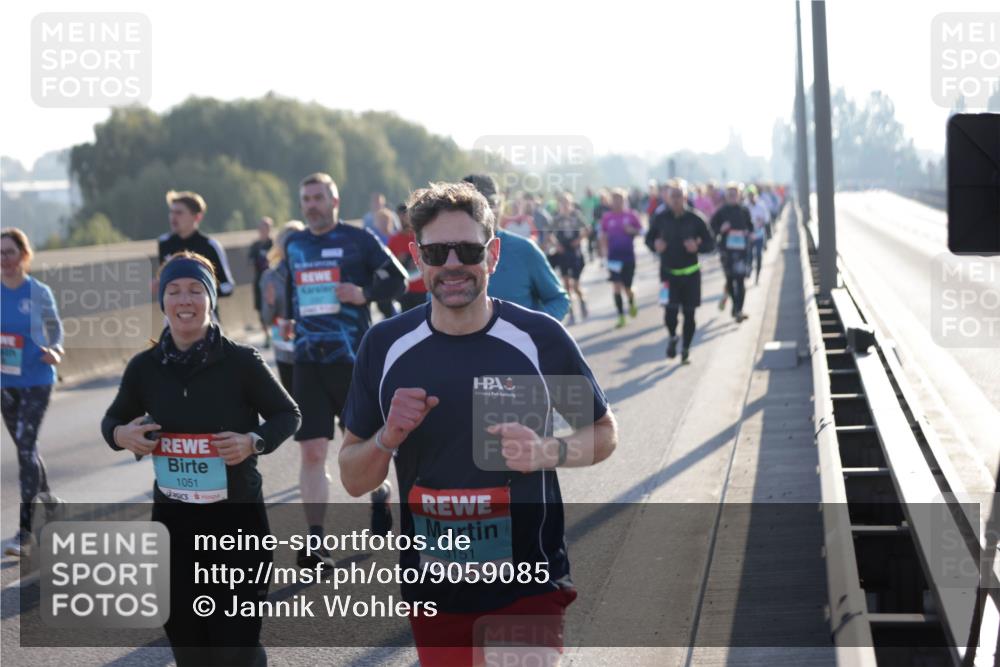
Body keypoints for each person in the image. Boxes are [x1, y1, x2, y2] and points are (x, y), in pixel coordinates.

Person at [337, 181, 618, 667]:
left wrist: (548, 452)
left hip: (529, 584)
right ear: (417, 257)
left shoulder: (537, 338)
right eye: (436, 251)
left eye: (467, 250)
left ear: (493, 255)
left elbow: (604, 433)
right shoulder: (385, 346)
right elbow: (353, 477)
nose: (451, 265)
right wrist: (388, 436)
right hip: (435, 589)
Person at [102, 251, 301, 666]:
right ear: (162, 300)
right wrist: (124, 435)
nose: (184, 299)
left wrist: (253, 441)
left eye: (195, 289)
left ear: (211, 298)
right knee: (189, 645)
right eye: (174, 290)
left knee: (235, 645)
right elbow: (112, 421)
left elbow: (288, 414)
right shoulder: (145, 367)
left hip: (236, 523)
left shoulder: (241, 361)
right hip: (174, 525)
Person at [282, 173, 407, 566]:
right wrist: (288, 318)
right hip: (307, 359)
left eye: (319, 197)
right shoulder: (295, 243)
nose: (312, 205)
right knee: (313, 451)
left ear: (334, 201)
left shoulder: (358, 240)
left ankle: (379, 492)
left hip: (352, 360)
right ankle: (316, 540)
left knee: (362, 445)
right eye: (306, 199)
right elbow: (292, 290)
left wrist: (364, 294)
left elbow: (399, 282)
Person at [1, 228, 65, 557]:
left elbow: (55, 328)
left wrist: (55, 349)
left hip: (38, 378)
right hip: (6, 383)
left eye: (10, 252)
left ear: (24, 256)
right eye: (0, 253)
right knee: (27, 449)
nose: (5, 259)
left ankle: (25, 531)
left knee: (25, 448)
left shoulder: (37, 292)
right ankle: (50, 504)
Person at [462, 174, 570, 321]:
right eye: (472, 206)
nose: (483, 211)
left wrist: (533, 330)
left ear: (501, 203)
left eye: (490, 203)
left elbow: (559, 300)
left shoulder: (525, 250)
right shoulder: (445, 255)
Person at [646, 180, 716, 363]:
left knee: (689, 314)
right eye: (672, 196)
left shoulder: (696, 218)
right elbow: (648, 239)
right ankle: (672, 337)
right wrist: (655, 245)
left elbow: (711, 244)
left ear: (685, 197)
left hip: (691, 274)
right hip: (668, 275)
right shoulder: (660, 218)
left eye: (679, 196)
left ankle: (685, 348)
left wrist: (697, 247)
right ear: (667, 198)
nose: (676, 199)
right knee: (669, 313)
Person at [157, 191, 236, 324]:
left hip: (207, 319)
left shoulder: (210, 246)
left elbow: (228, 286)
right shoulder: (164, 243)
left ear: (197, 217)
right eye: (171, 212)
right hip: (173, 320)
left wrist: (201, 289)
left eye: (179, 213)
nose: (173, 217)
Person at [260, 220, 306, 393]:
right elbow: (266, 318)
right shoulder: (269, 277)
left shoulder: (310, 270)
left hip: (310, 346)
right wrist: (270, 304)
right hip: (284, 348)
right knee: (292, 397)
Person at [710, 183, 754, 322]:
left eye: (735, 194)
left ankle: (738, 310)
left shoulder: (744, 210)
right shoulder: (721, 211)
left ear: (739, 195)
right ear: (726, 196)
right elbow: (711, 228)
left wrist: (749, 232)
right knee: (730, 280)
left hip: (741, 251)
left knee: (740, 281)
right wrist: (721, 229)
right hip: (726, 251)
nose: (733, 197)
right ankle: (733, 304)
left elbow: (750, 227)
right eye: (730, 194)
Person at [599, 189, 642, 328]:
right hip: (613, 257)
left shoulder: (631, 215)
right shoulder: (607, 217)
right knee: (616, 286)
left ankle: (631, 300)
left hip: (628, 256)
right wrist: (603, 252)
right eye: (615, 199)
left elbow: (642, 231)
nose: (617, 202)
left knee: (627, 287)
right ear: (611, 201)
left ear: (624, 201)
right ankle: (621, 316)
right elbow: (602, 235)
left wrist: (632, 231)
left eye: (620, 199)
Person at [550, 193, 589, 324]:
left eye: (567, 203)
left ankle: (582, 301)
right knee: (566, 285)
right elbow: (549, 234)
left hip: (575, 252)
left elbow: (587, 229)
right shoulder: (557, 218)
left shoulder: (576, 216)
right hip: (563, 252)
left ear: (571, 204)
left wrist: (579, 240)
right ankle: (571, 312)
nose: (565, 206)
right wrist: (556, 245)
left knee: (576, 285)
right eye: (563, 203)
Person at [388, 203, 430, 312]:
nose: (403, 220)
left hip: (423, 289)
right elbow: (388, 266)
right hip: (404, 291)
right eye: (399, 217)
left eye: (405, 216)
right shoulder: (394, 240)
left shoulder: (422, 236)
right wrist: (398, 260)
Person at [248, 217, 274, 346]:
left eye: (266, 227)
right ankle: (267, 334)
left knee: (274, 307)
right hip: (259, 280)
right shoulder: (255, 246)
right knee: (260, 308)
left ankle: (275, 332)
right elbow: (251, 264)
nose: (263, 230)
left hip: (274, 281)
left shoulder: (274, 244)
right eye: (261, 228)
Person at [746, 186, 771, 285]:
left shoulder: (761, 206)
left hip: (759, 235)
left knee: (759, 256)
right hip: (749, 235)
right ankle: (749, 269)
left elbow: (767, 219)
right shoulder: (745, 207)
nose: (751, 197)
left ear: (755, 195)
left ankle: (757, 276)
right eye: (749, 195)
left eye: (752, 195)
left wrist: (761, 221)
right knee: (749, 255)